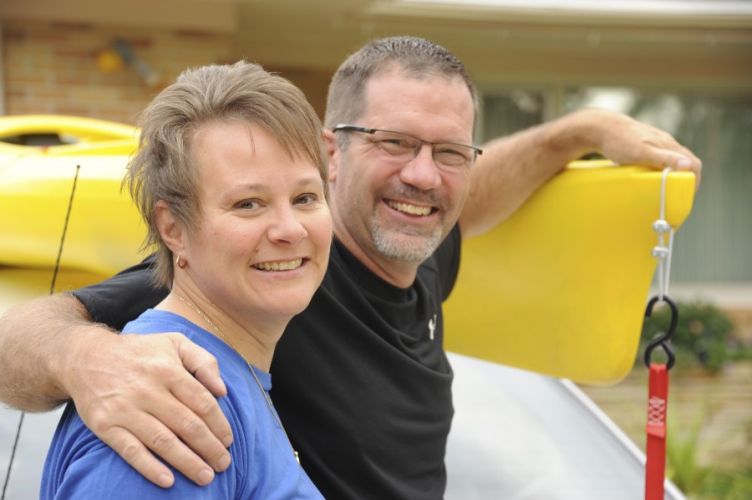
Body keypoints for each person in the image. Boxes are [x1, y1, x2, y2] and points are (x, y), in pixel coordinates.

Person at [0, 37, 701, 499]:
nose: (422, 177)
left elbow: (473, 198)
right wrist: (90, 358)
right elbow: (20, 341)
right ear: (335, 152)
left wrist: (578, 131)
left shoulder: (417, 250)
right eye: (394, 142)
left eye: (449, 152)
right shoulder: (268, 275)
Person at [40, 61, 332, 498]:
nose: (290, 229)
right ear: (173, 227)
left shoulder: (223, 374)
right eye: (248, 204)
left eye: (305, 197)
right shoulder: (172, 405)